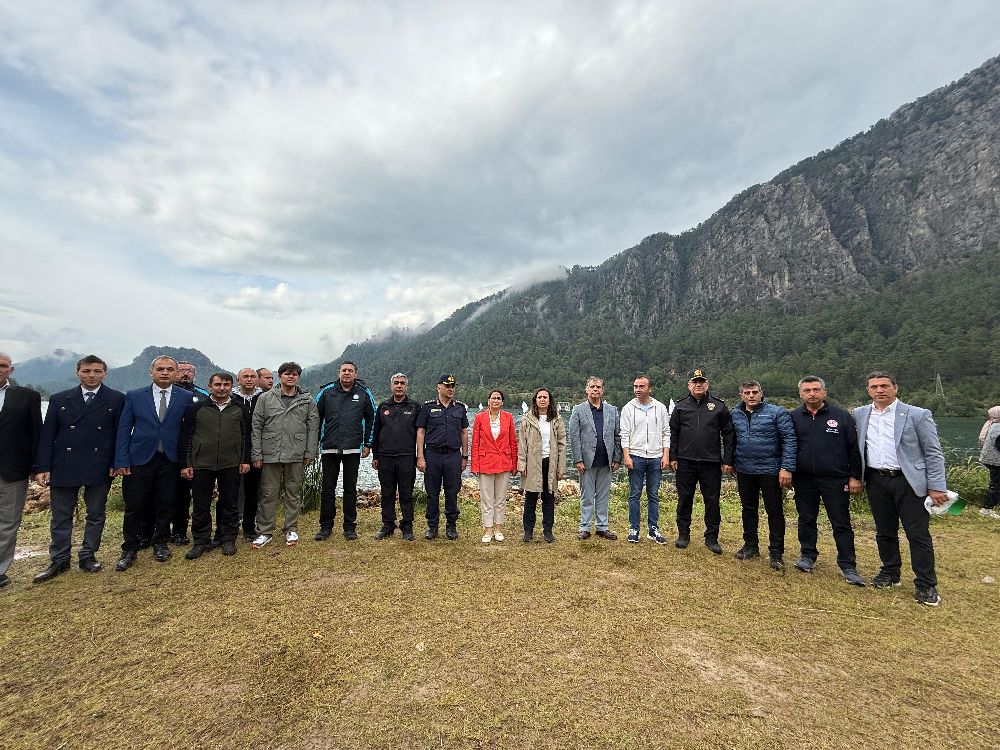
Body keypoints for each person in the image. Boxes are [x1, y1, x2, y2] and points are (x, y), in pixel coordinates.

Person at [853, 371, 948, 606]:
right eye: (874, 387)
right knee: (884, 531)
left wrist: (936, 486)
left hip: (909, 481)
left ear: (895, 387)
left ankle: (926, 584)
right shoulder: (859, 414)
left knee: (917, 534)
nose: (880, 390)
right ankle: (890, 572)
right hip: (876, 479)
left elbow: (933, 452)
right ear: (868, 390)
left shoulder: (918, 414)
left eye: (884, 385)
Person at [32, 355, 125, 582]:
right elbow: (47, 436)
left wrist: (117, 462)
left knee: (95, 514)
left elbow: (119, 435)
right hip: (64, 463)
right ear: (77, 373)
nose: (91, 375)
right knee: (61, 516)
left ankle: (88, 554)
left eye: (96, 371)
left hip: (100, 464)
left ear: (105, 373)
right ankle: (59, 559)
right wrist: (43, 466)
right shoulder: (59, 399)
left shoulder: (116, 399)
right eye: (86, 371)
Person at [113, 355, 196, 570]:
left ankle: (160, 542)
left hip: (170, 458)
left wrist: (187, 461)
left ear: (176, 373)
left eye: (170, 369)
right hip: (140, 457)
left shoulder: (185, 397)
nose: (165, 372)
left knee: (166, 502)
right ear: (151, 372)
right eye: (160, 369)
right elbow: (123, 430)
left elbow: (189, 431)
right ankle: (130, 546)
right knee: (135, 504)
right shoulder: (134, 396)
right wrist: (121, 459)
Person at [789, 375, 865, 586]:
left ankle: (848, 564)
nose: (812, 393)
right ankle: (807, 556)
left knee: (840, 522)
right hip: (804, 478)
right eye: (807, 390)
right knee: (806, 519)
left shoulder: (842, 416)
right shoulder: (793, 417)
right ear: (801, 394)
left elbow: (854, 448)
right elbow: (787, 447)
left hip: (835, 478)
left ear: (824, 392)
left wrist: (855, 476)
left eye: (815, 389)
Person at [178, 372, 251, 559]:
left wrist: (244, 460)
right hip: (202, 463)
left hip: (231, 463)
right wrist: (186, 464)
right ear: (210, 386)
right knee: (201, 504)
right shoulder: (197, 408)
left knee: (229, 503)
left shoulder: (239, 408)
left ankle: (227, 538)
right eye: (218, 384)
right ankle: (201, 541)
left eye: (226, 384)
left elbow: (246, 437)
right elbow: (186, 437)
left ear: (231, 386)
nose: (222, 388)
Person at [250, 362, 318, 548]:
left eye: (295, 374)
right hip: (270, 451)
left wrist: (310, 452)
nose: (291, 376)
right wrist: (256, 453)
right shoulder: (265, 398)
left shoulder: (307, 400)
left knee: (293, 492)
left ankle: (291, 528)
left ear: (298, 377)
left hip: (296, 451)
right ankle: (265, 531)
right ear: (280, 376)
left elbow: (313, 428)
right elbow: (256, 427)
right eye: (287, 373)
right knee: (268, 493)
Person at [730, 380, 796, 571]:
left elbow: (789, 440)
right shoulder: (735, 414)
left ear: (761, 393)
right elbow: (731, 440)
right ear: (741, 395)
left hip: (771, 470)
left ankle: (776, 552)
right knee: (748, 509)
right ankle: (750, 545)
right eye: (747, 392)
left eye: (755, 392)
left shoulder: (777, 412)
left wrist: (787, 468)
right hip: (744, 469)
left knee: (774, 511)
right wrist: (731, 461)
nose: (751, 395)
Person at [668, 368, 735, 554]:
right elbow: (673, 433)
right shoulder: (680, 407)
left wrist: (728, 459)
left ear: (707, 385)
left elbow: (728, 434)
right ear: (689, 385)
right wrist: (673, 456)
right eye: (695, 382)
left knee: (712, 501)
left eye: (701, 382)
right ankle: (683, 535)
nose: (698, 384)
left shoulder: (719, 406)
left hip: (711, 462)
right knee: (684, 499)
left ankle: (712, 537)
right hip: (685, 462)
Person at [314, 361, 376, 541]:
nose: (347, 373)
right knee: (328, 489)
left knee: (350, 489)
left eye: (350, 371)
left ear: (356, 374)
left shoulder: (364, 393)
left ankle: (349, 528)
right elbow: (315, 419)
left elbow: (372, 417)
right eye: (344, 370)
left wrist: (368, 444)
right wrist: (314, 445)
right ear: (338, 373)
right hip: (329, 448)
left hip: (353, 448)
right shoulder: (326, 392)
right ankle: (325, 527)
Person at [0, 352, 43, 588]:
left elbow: (36, 433)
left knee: (8, 521)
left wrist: (37, 467)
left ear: (11, 370)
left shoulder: (26, 397)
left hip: (12, 469)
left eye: (3, 365)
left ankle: (0, 569)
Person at [416, 374, 469, 540]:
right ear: (438, 387)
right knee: (432, 493)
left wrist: (465, 457)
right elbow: (421, 431)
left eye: (453, 386)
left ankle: (451, 526)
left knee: (452, 492)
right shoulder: (428, 407)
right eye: (447, 386)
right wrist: (420, 457)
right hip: (432, 455)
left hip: (453, 456)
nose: (451, 389)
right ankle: (432, 527)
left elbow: (464, 432)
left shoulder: (459, 408)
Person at [569, 376, 622, 541]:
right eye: (592, 387)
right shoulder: (578, 410)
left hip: (606, 461)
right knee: (586, 496)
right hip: (587, 462)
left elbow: (617, 435)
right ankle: (585, 527)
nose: (595, 390)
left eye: (598, 387)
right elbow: (574, 436)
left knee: (603, 496)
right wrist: (578, 459)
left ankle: (602, 527)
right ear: (587, 389)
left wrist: (617, 458)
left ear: (602, 390)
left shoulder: (612, 410)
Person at [620, 375, 670, 545]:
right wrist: (626, 456)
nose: (637, 389)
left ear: (650, 388)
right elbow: (624, 434)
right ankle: (634, 529)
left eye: (641, 386)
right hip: (636, 456)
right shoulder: (628, 408)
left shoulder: (660, 408)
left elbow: (666, 433)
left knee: (653, 494)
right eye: (635, 386)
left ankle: (653, 529)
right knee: (634, 494)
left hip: (656, 457)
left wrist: (666, 455)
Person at [371, 373, 421, 541]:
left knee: (406, 492)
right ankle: (388, 524)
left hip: (406, 456)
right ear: (391, 386)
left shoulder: (414, 407)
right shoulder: (383, 406)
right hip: (385, 457)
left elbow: (421, 434)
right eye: (396, 383)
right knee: (387, 492)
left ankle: (407, 526)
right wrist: (375, 455)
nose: (399, 386)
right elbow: (376, 432)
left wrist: (420, 456)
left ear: (407, 386)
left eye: (402, 383)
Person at [518, 387, 565, 543]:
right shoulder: (527, 419)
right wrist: (522, 464)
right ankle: (528, 531)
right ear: (535, 400)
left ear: (549, 400)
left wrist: (561, 467)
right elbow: (522, 444)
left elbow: (561, 445)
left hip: (550, 462)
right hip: (532, 462)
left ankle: (548, 531)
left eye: (545, 397)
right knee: (530, 497)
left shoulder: (556, 419)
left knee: (548, 497)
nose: (542, 399)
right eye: (540, 397)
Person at [167, 360, 207, 545]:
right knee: (167, 494)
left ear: (194, 375)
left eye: (189, 371)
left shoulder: (203, 396)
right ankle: (159, 532)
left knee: (188, 495)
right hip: (167, 451)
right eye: (181, 370)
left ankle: (181, 531)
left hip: (195, 453)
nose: (185, 374)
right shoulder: (165, 395)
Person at [471, 389, 517, 543]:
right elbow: (475, 443)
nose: (496, 400)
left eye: (498, 398)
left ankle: (498, 529)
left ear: (502, 402)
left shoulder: (509, 418)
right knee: (487, 499)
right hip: (485, 463)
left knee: (500, 498)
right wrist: (474, 465)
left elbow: (513, 442)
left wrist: (514, 463)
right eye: (493, 398)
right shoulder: (479, 418)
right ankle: (488, 530)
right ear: (488, 401)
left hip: (504, 462)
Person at [232, 368, 263, 539]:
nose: (249, 379)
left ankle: (249, 528)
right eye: (246, 376)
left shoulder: (264, 398)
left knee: (253, 492)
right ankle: (229, 526)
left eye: (253, 377)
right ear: (238, 379)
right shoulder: (230, 399)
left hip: (257, 451)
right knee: (231, 491)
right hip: (233, 452)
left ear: (257, 380)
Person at [977, 406, 1000, 520]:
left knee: (994, 484)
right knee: (996, 485)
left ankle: (987, 508)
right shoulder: (998, 427)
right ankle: (987, 509)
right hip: (996, 461)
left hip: (990, 459)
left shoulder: (991, 425)